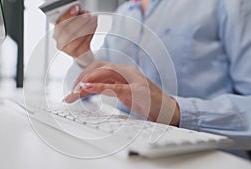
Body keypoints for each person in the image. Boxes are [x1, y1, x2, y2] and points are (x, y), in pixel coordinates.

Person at [53, 0, 251, 155]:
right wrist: (82, 54)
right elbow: (91, 84)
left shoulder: (228, 3)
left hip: (207, 157)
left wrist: (175, 111)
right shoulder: (124, 13)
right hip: (123, 151)